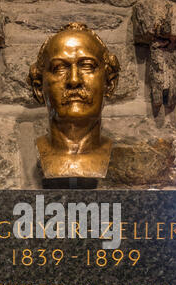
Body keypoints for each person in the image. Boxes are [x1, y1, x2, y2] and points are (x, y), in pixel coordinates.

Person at [27, 23, 119, 181]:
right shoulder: (18, 155)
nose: (74, 80)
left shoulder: (123, 157)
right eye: (59, 68)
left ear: (109, 84)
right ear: (38, 89)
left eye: (87, 66)